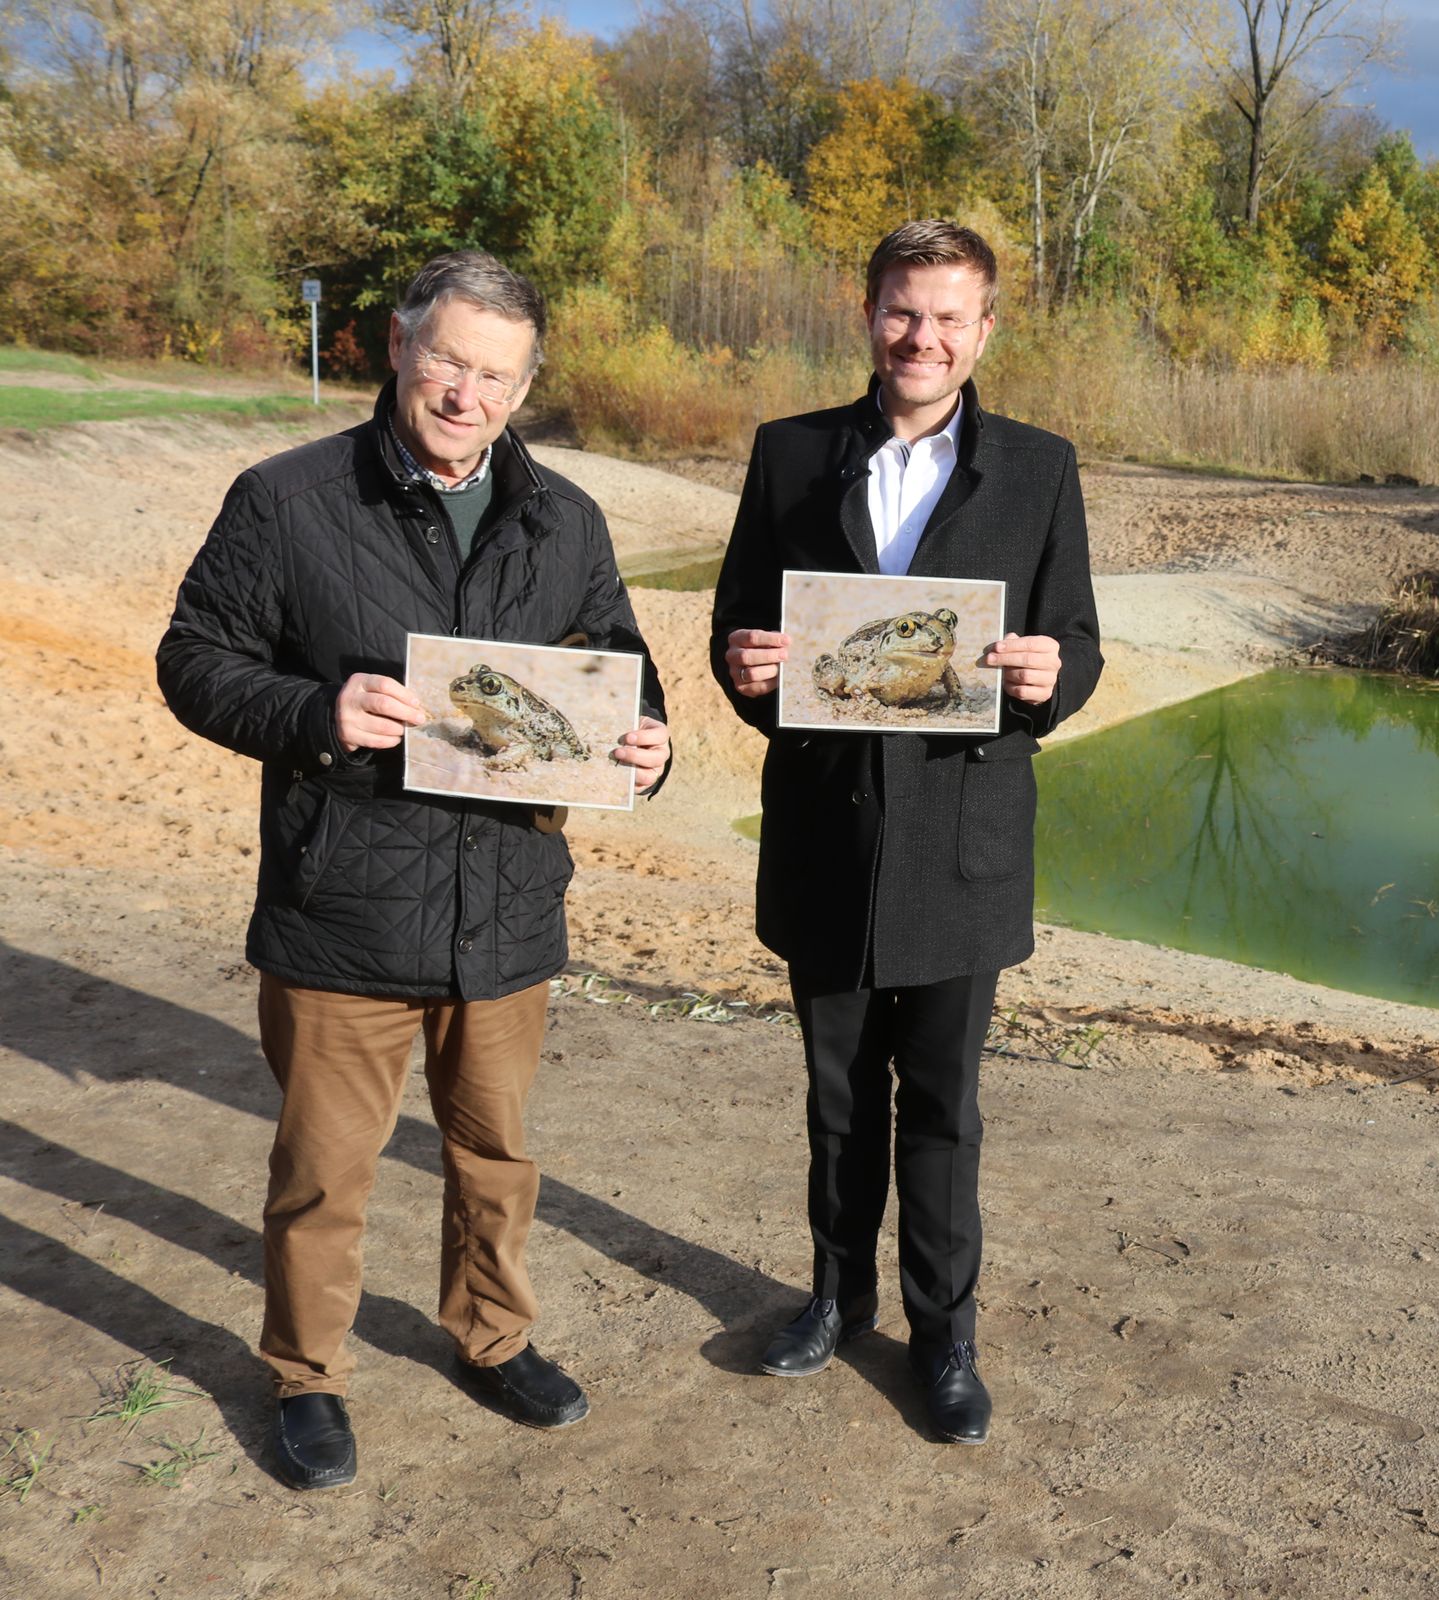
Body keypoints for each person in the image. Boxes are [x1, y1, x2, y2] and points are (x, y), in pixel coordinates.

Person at [156, 250, 672, 1490]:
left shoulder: (567, 520)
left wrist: (648, 746)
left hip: (505, 907)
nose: (464, 393)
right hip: (342, 908)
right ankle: (305, 1376)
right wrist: (315, 710)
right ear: (399, 346)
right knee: (323, 1174)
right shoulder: (286, 500)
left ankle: (492, 1338)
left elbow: (623, 673)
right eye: (446, 359)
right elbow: (193, 660)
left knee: (494, 1158)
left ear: (525, 384)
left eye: (494, 374)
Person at [710, 219, 1102, 1445]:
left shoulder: (1040, 470)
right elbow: (739, 630)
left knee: (942, 1105)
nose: (920, 336)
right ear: (867, 313)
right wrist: (745, 669)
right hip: (825, 837)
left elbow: (1077, 643)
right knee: (836, 1101)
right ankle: (836, 1298)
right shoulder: (788, 455)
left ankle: (944, 1338)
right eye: (900, 310)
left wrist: (1052, 676)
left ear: (985, 329)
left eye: (946, 315)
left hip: (962, 849)